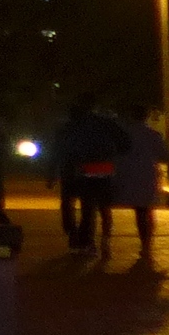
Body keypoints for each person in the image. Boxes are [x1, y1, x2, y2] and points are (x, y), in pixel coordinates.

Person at [50, 97, 126, 250]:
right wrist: (111, 156)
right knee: (89, 205)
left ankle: (74, 234)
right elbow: (124, 142)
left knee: (69, 202)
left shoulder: (68, 126)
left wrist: (51, 172)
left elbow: (56, 150)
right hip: (98, 167)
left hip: (72, 168)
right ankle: (87, 239)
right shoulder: (105, 124)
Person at [112, 99, 164, 252]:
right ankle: (148, 240)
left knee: (140, 210)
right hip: (148, 175)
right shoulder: (153, 134)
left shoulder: (125, 134)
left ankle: (145, 241)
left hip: (130, 175)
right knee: (147, 208)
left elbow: (117, 154)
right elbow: (163, 155)